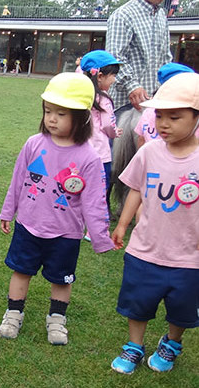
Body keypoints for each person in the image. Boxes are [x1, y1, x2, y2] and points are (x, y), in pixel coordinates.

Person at [0, 73, 114, 346]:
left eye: (61, 114)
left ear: (82, 117)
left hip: (66, 234)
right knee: (20, 271)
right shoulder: (33, 144)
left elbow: (95, 201)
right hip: (28, 225)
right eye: (48, 111)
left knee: (61, 279)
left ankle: (57, 319)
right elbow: (17, 181)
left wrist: (100, 237)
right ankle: (13, 313)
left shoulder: (89, 157)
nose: (51, 119)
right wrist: (7, 212)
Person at [110, 72, 199, 374]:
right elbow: (136, 187)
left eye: (175, 117)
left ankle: (172, 343)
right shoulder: (149, 151)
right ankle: (134, 345)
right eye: (160, 116)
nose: (163, 124)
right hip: (145, 248)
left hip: (189, 256)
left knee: (182, 308)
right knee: (138, 301)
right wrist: (122, 224)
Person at [106, 0, 171, 117]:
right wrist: (132, 86)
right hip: (126, 104)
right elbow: (114, 57)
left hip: (154, 103)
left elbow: (166, 58)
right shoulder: (123, 14)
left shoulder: (162, 16)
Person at [81, 50, 123, 218]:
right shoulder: (104, 99)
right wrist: (114, 132)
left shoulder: (82, 97)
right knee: (98, 191)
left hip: (81, 151)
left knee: (79, 187)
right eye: (112, 75)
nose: (114, 80)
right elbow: (107, 124)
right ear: (100, 76)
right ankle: (93, 229)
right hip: (100, 154)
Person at [133, 63, 197, 149]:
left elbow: (141, 139)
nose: (164, 124)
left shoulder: (148, 111)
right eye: (158, 116)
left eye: (173, 118)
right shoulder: (189, 113)